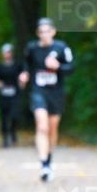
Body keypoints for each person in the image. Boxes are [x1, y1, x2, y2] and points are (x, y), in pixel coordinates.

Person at [19, 18, 75, 182]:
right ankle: (43, 163)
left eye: (47, 31)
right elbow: (26, 65)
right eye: (41, 32)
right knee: (42, 126)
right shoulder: (32, 48)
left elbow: (71, 67)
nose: (44, 35)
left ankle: (49, 160)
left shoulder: (61, 48)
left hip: (56, 93)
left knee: (52, 127)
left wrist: (58, 67)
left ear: (53, 32)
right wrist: (24, 74)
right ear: (38, 33)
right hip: (39, 91)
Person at [0, 43, 22, 147]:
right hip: (3, 95)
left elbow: (23, 77)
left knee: (14, 116)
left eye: (9, 52)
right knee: (4, 117)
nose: (7, 54)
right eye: (5, 52)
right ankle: (5, 138)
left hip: (15, 94)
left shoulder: (17, 65)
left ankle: (13, 132)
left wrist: (22, 83)